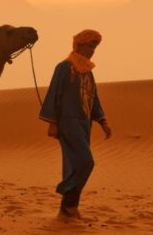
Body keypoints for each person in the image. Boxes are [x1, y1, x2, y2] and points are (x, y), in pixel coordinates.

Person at [39, 29, 113, 220]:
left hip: (84, 123)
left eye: (95, 46)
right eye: (90, 45)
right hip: (67, 123)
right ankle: (66, 194)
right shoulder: (64, 67)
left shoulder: (87, 71)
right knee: (86, 162)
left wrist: (102, 121)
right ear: (78, 45)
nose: (92, 50)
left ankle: (69, 207)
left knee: (74, 164)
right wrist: (52, 122)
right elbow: (54, 94)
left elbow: (93, 96)